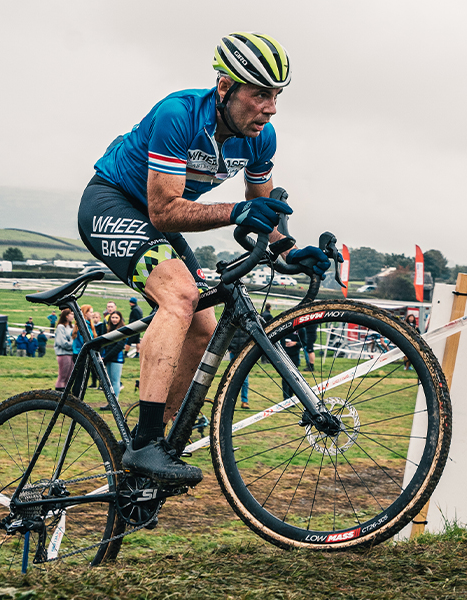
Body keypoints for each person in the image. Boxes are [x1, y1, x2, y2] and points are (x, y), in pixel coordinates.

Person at [75, 32, 332, 486]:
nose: (270, 108)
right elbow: (163, 209)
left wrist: (288, 252)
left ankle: (151, 450)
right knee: (180, 295)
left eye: (276, 96)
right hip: (115, 202)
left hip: (163, 220)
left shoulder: (260, 139)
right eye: (259, 94)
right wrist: (236, 211)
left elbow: (261, 208)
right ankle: (145, 446)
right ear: (224, 87)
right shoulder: (179, 114)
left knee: (204, 326)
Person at [96, 311, 127, 410]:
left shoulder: (122, 330)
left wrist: (107, 357)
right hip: (108, 358)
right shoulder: (109, 329)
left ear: (120, 319)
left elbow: (119, 346)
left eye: (116, 317)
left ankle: (115, 403)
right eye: (112, 317)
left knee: (115, 381)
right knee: (109, 381)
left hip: (116, 359)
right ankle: (111, 402)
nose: (114, 319)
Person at [226, 319, 252, 409]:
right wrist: (229, 347)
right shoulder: (233, 322)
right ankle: (230, 401)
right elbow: (228, 334)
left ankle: (244, 401)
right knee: (232, 378)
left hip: (244, 352)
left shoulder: (247, 323)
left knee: (244, 379)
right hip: (234, 352)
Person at [53, 308, 75, 392]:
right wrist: (72, 345)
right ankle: (59, 391)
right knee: (63, 375)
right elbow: (61, 342)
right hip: (63, 353)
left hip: (71, 353)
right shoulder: (61, 327)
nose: (73, 316)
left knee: (69, 375)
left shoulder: (72, 327)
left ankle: (66, 391)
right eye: (71, 314)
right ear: (66, 316)